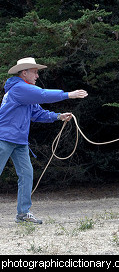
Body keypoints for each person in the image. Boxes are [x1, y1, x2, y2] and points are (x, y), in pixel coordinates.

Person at [0, 57, 88, 224]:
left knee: (26, 174)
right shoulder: (20, 88)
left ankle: (23, 214)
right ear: (24, 73)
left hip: (19, 141)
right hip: (3, 138)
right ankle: (23, 213)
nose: (37, 76)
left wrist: (58, 116)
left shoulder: (25, 92)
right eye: (35, 72)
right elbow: (42, 94)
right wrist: (69, 95)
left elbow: (37, 113)